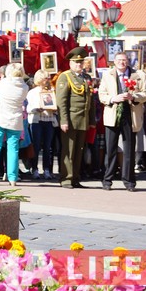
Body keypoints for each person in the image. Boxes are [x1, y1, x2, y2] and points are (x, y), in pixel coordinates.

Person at [97, 52, 146, 191]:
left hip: (130, 115)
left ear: (128, 62)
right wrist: (113, 98)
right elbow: (101, 94)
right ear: (114, 62)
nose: (122, 62)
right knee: (111, 149)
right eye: (119, 60)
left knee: (129, 150)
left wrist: (133, 96)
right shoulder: (107, 75)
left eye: (124, 60)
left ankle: (129, 181)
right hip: (113, 114)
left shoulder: (139, 75)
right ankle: (107, 180)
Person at [55, 47, 96, 189]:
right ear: (70, 63)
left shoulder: (85, 78)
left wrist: (91, 121)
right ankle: (66, 178)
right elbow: (62, 101)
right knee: (68, 151)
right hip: (71, 120)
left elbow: (89, 101)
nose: (79, 65)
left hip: (82, 120)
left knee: (79, 150)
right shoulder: (65, 77)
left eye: (81, 62)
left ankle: (75, 177)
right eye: (76, 62)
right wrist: (63, 120)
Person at [0, 63, 29, 186]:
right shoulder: (25, 86)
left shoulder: (4, 83)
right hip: (15, 119)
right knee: (13, 149)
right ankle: (12, 178)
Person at [26, 69, 57, 179]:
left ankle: (47, 169)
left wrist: (54, 109)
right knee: (36, 146)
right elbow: (28, 108)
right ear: (40, 79)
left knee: (48, 147)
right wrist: (36, 109)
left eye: (49, 78)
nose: (48, 80)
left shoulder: (52, 91)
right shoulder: (32, 92)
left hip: (49, 121)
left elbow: (56, 106)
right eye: (46, 78)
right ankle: (34, 169)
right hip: (37, 121)